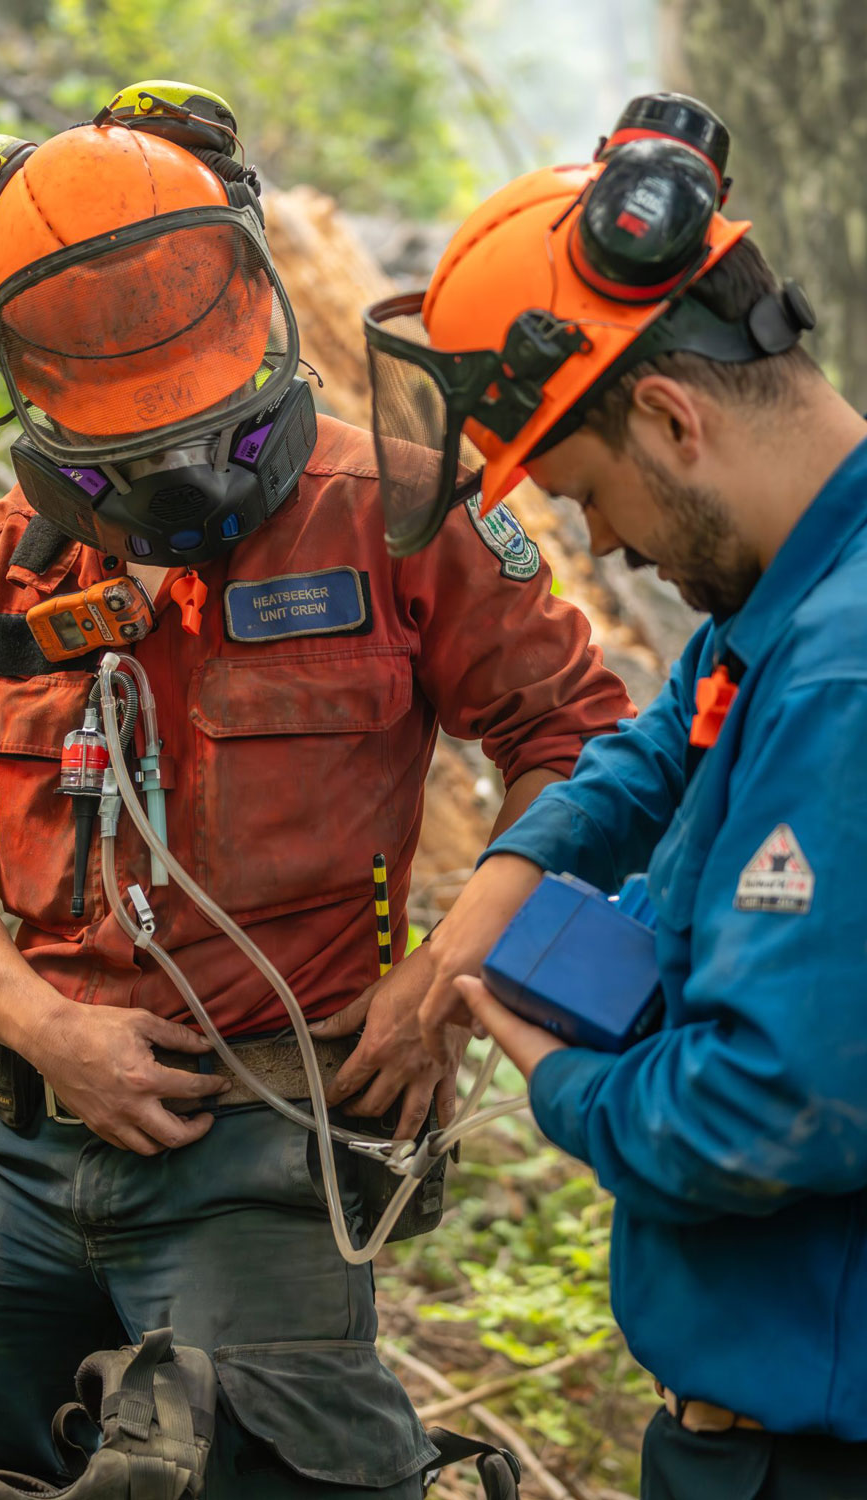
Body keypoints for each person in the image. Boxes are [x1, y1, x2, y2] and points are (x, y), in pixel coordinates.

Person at [0, 83, 631, 1497]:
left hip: (272, 1149)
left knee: (259, 1467)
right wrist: (46, 1027)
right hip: (30, 1146)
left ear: (249, 288)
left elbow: (585, 751)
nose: (177, 472)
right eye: (130, 445)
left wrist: (451, 974)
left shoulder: (403, 510)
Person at [364, 92, 867, 1498]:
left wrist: (545, 1063)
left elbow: (754, 1117)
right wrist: (490, 905)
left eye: (586, 492)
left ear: (668, 414)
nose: (601, 543)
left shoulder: (843, 675)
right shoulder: (802, 585)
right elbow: (661, 746)